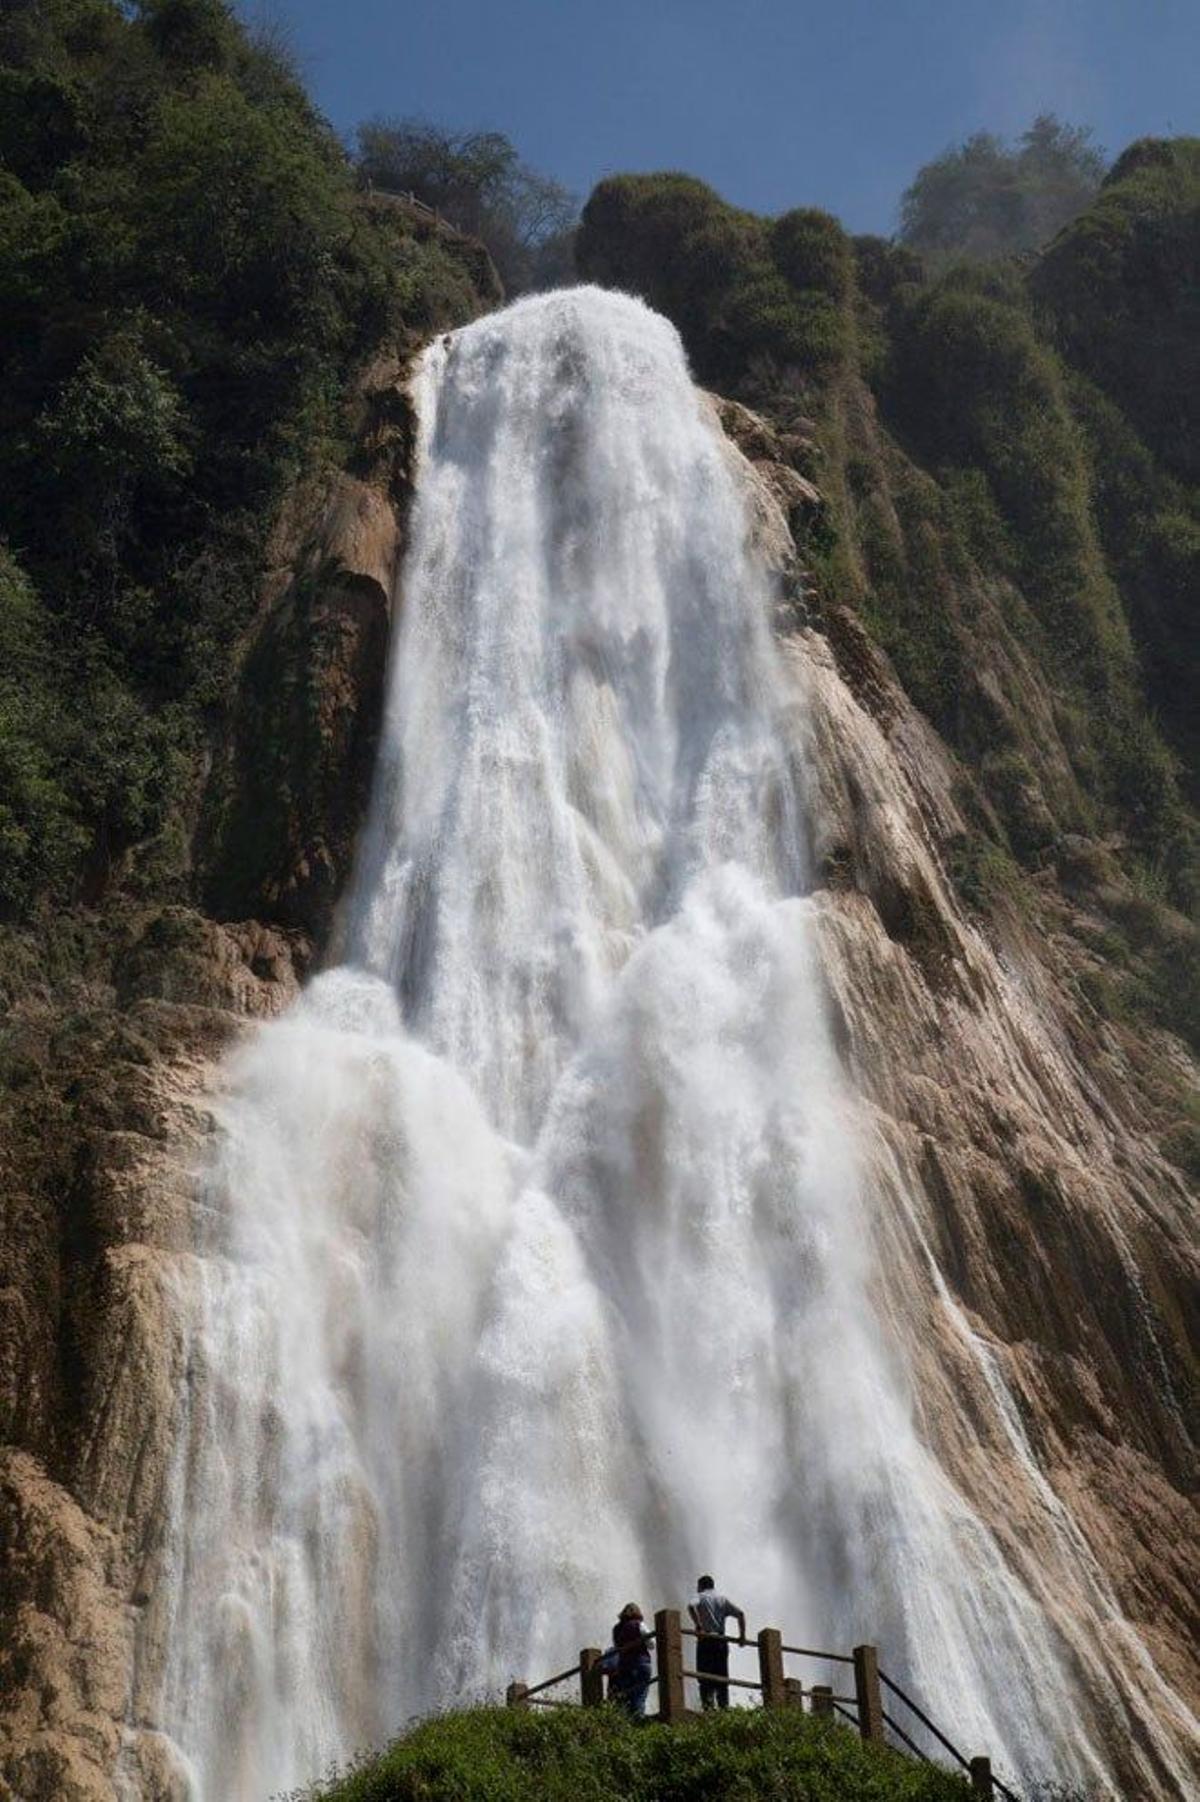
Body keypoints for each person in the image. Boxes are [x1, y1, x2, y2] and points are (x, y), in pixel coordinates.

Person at [688, 1575, 746, 1710]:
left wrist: (699, 1626)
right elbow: (740, 1614)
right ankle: (724, 1708)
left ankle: (708, 1708)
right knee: (722, 1677)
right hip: (721, 1642)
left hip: (706, 1641)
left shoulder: (700, 1596)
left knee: (704, 1676)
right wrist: (742, 1636)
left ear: (701, 1586)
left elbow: (691, 1606)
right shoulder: (722, 1599)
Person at [607, 1602, 653, 1719]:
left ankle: (626, 1723)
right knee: (640, 1694)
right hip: (641, 1663)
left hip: (624, 1665)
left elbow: (617, 1646)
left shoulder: (616, 1629)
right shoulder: (640, 1624)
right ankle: (638, 1721)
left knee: (627, 1695)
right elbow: (652, 1644)